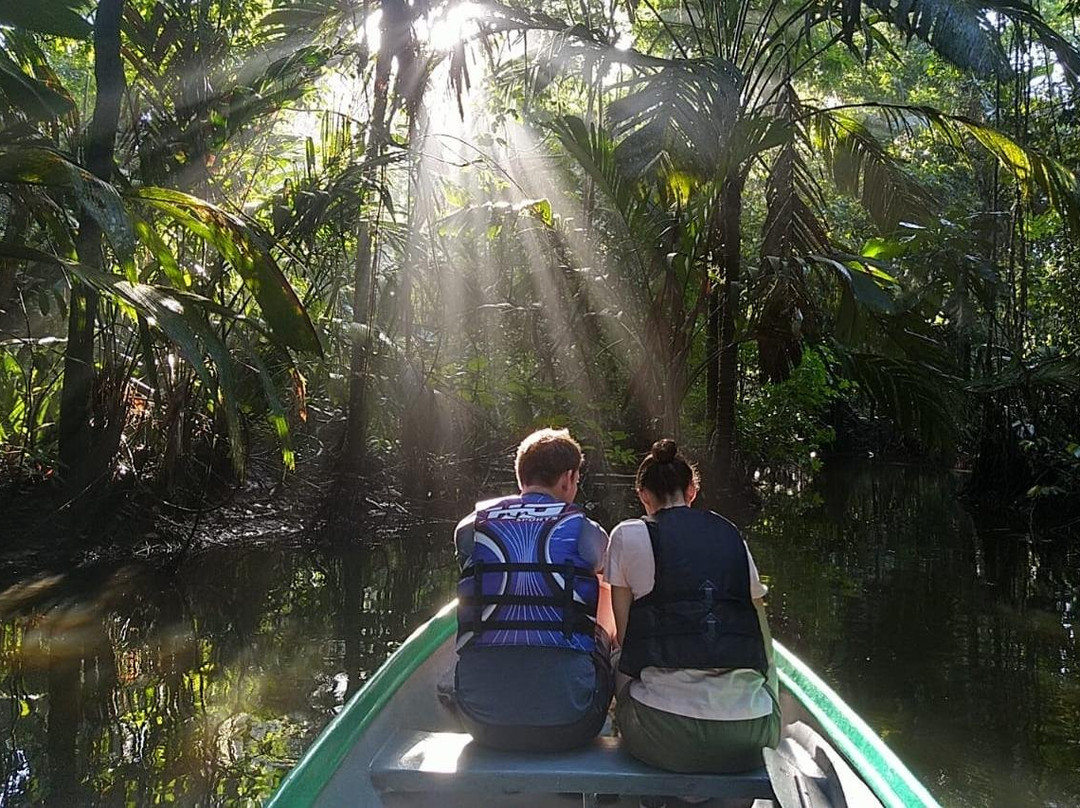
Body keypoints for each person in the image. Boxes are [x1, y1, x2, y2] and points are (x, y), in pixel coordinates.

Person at [606, 439, 781, 779]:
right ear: (692, 491)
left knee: (613, 656)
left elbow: (626, 641)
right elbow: (764, 643)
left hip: (663, 735)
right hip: (753, 734)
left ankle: (659, 790)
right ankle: (707, 795)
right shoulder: (731, 534)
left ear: (643, 495)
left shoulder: (627, 535)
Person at [453, 428, 615, 751]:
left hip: (480, 723)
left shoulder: (471, 527)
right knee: (599, 587)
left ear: (520, 477)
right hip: (572, 723)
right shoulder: (585, 531)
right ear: (568, 478)